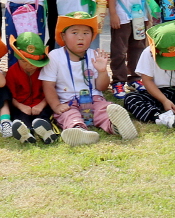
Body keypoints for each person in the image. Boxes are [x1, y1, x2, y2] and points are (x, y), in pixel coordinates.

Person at [43, 11, 139, 144]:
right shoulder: (55, 56)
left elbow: (101, 87)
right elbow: (48, 85)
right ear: (63, 36)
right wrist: (56, 105)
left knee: (104, 110)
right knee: (69, 115)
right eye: (75, 33)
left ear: (92, 37)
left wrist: (102, 71)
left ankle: (116, 126)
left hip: (94, 99)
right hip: (68, 102)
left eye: (86, 33)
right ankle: (78, 130)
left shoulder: (94, 55)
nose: (81, 37)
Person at [4, 32, 59, 145]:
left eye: (33, 62)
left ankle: (46, 131)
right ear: (17, 57)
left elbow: (50, 91)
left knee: (44, 115)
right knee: (19, 116)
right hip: (21, 105)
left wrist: (41, 105)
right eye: (24, 61)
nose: (29, 65)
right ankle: (25, 132)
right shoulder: (12, 72)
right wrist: (21, 106)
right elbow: (10, 95)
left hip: (42, 104)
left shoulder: (45, 69)